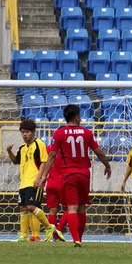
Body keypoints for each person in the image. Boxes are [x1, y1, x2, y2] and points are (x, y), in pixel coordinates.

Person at [35, 104, 112, 248]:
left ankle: (75, 240)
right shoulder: (87, 133)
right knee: (82, 207)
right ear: (77, 117)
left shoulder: (58, 134)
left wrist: (44, 175)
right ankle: (80, 239)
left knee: (71, 208)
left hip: (68, 174)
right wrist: (107, 165)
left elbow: (52, 155)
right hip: (84, 174)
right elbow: (99, 152)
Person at [6, 120, 64, 242]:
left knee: (32, 207)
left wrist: (39, 177)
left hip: (34, 181)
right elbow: (16, 161)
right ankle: (24, 235)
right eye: (22, 132)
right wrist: (9, 151)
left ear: (33, 132)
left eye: (27, 132)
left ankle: (48, 227)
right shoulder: (22, 148)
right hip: (23, 182)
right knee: (23, 208)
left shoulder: (39, 144)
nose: (24, 135)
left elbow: (44, 161)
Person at [45, 142, 69, 241]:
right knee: (72, 208)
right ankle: (58, 230)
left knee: (52, 210)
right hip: (63, 182)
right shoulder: (67, 150)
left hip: (50, 182)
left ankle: (54, 237)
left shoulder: (48, 149)